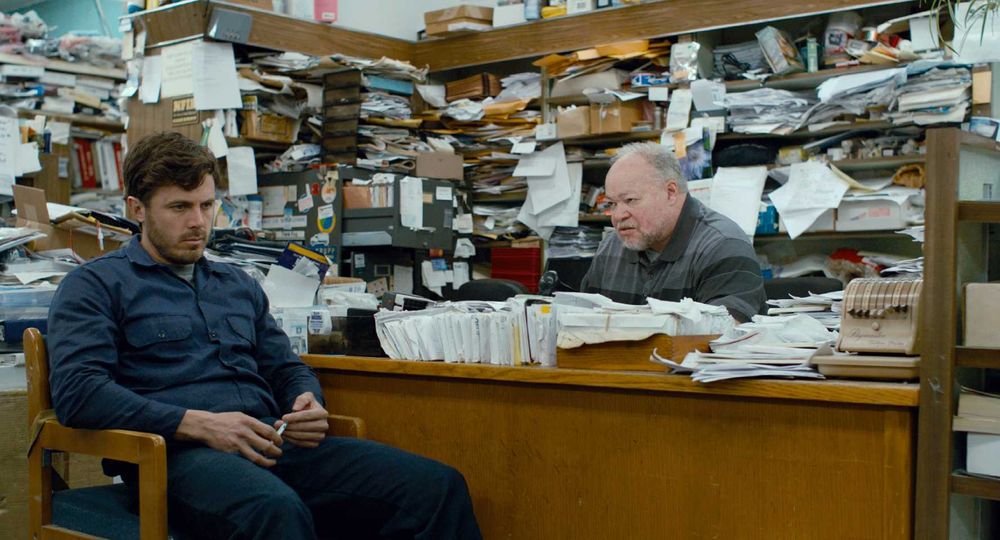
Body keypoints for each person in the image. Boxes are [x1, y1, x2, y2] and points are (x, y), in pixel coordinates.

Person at [46, 132, 482, 540]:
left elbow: (286, 367)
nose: (198, 222)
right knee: (275, 511)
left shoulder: (237, 285)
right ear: (137, 209)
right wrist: (198, 425)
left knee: (436, 487)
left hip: (271, 442)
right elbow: (79, 392)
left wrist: (306, 399)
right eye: (179, 207)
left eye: (206, 205)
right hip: (176, 458)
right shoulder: (96, 285)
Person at [580, 142, 766, 322]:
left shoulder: (724, 245)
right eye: (612, 204)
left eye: (630, 200)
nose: (617, 216)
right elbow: (581, 323)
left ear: (670, 192)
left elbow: (727, 331)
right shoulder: (611, 248)